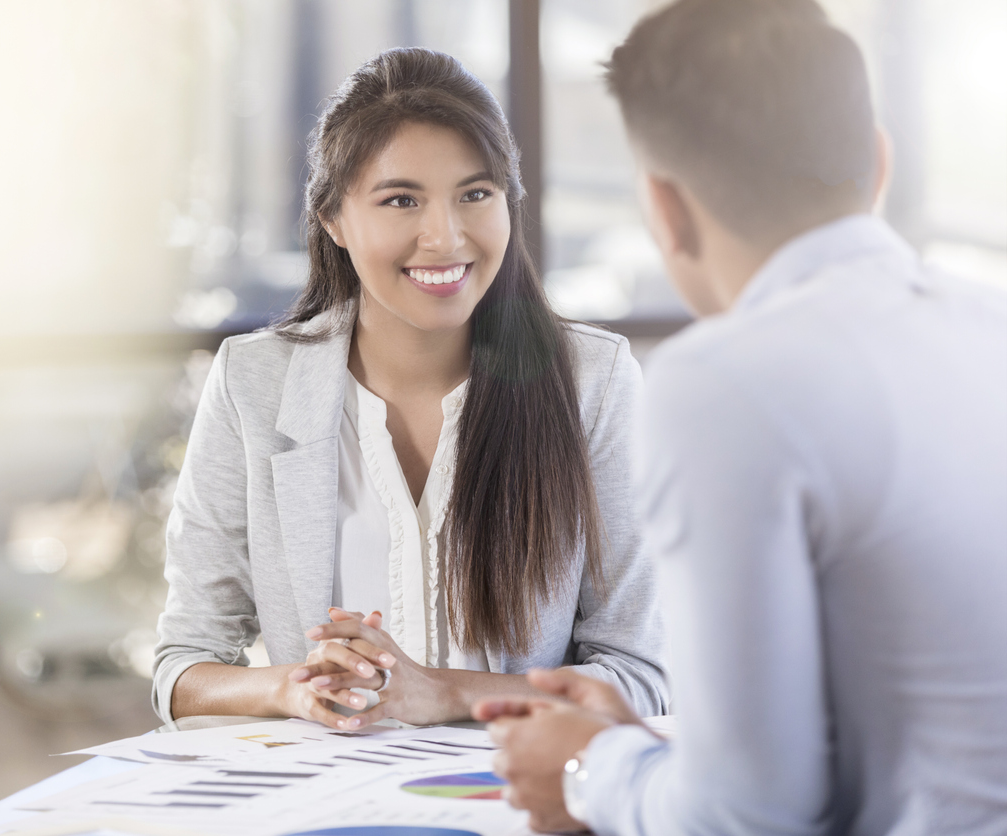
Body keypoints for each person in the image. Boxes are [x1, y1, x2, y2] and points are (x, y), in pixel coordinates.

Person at [478, 1, 1007, 834]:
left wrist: (585, 770)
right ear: (878, 164)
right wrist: (636, 752)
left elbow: (747, 817)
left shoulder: (723, 381)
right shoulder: (991, 323)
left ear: (665, 210)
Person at [150, 48, 669, 731]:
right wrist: (291, 688)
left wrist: (445, 692)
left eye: (475, 195)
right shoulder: (255, 382)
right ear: (334, 219)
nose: (445, 236)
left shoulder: (592, 383)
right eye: (401, 200)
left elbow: (640, 676)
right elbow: (183, 666)